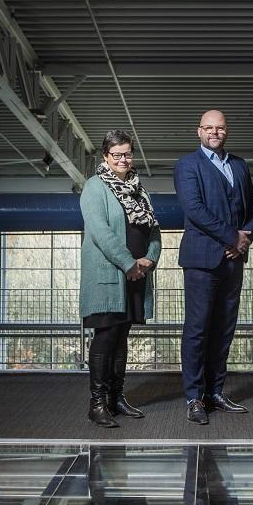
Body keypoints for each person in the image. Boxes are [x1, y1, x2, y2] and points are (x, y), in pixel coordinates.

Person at [174, 110, 253, 424]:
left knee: (224, 328)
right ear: (199, 131)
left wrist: (245, 236)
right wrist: (231, 237)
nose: (214, 132)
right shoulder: (187, 166)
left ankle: (216, 392)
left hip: (233, 260)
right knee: (197, 330)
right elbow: (194, 209)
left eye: (220, 127)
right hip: (201, 259)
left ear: (227, 131)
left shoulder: (239, 164)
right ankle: (194, 397)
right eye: (209, 127)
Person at [80, 130, 162, 428]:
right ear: (106, 157)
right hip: (109, 275)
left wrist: (150, 258)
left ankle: (116, 398)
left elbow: (153, 229)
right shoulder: (95, 187)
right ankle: (97, 404)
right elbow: (101, 232)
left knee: (122, 337)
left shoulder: (140, 189)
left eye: (127, 154)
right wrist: (128, 262)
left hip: (136, 275)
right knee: (106, 336)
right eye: (117, 155)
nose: (123, 159)